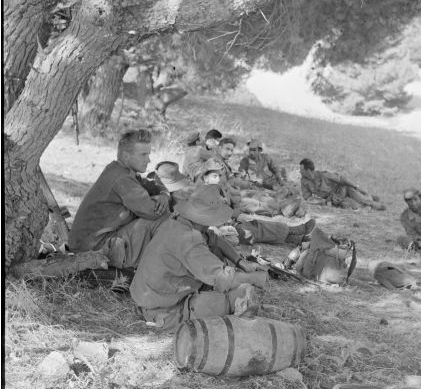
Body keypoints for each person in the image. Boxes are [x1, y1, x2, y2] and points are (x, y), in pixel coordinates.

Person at [130, 186, 269, 331]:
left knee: (217, 253)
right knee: (242, 294)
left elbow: (214, 239)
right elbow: (223, 278)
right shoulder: (190, 241)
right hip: (166, 311)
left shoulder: (177, 221)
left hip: (151, 299)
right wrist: (256, 278)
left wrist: (241, 262)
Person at [69, 129, 171, 268]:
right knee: (163, 218)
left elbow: (151, 185)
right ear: (125, 155)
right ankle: (164, 268)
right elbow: (153, 212)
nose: (148, 160)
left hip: (91, 244)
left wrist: (164, 195)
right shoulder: (121, 177)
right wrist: (162, 199)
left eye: (148, 154)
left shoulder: (119, 169)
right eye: (143, 155)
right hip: (94, 249)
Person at [198, 159, 316, 245]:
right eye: (215, 176)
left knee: (258, 224)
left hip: (230, 224)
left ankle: (297, 237)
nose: (218, 179)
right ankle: (295, 233)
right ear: (205, 178)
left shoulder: (219, 189)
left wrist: (235, 212)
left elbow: (233, 204)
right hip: (219, 232)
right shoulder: (203, 195)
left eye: (220, 175)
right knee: (254, 231)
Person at [299, 158, 386, 211]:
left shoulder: (324, 174)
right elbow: (307, 198)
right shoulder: (304, 181)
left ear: (309, 171)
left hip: (344, 190)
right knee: (348, 206)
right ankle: (369, 198)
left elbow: (342, 179)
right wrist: (321, 202)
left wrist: (357, 187)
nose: (300, 171)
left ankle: (375, 203)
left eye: (301, 170)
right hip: (335, 199)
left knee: (362, 200)